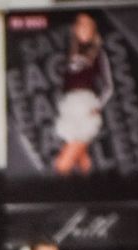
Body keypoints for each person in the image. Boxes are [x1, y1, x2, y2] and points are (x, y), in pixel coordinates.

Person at [54, 12, 113, 175]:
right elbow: (63, 82)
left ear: (94, 30)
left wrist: (97, 106)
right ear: (75, 28)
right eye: (81, 24)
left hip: (86, 106)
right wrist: (61, 103)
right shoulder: (67, 52)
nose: (84, 29)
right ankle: (90, 192)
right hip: (68, 108)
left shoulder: (99, 53)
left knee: (62, 165)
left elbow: (109, 86)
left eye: (88, 25)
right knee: (83, 161)